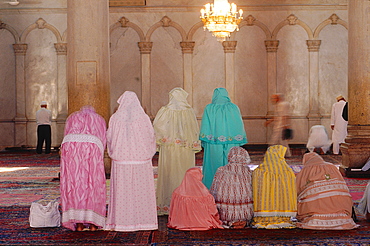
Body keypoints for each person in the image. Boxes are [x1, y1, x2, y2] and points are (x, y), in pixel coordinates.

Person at [105, 91, 158, 231]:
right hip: (141, 160)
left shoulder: (115, 118)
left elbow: (109, 138)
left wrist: (115, 150)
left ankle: (123, 222)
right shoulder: (143, 118)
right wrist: (147, 150)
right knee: (142, 192)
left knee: (123, 193)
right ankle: (145, 222)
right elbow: (151, 136)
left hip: (121, 161)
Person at [153, 88, 202, 215]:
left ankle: (167, 204)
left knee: (169, 173)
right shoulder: (189, 111)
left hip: (169, 149)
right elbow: (194, 129)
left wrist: (164, 140)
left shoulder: (164, 111)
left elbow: (157, 128)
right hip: (185, 149)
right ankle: (185, 203)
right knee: (184, 173)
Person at [60, 106, 107, 231]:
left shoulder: (72, 118)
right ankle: (93, 224)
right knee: (93, 185)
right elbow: (103, 139)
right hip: (93, 149)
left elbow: (66, 134)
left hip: (71, 148)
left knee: (75, 185)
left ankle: (79, 223)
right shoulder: (98, 119)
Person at [199, 88, 247, 189]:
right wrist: (238, 137)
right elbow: (238, 123)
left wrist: (204, 139)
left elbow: (205, 125)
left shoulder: (209, 108)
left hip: (213, 142)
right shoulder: (233, 108)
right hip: (231, 142)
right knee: (231, 164)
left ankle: (212, 188)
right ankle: (230, 188)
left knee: (213, 165)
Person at [296, 152, 358, 230]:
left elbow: (297, 189)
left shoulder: (305, 170)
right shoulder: (332, 166)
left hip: (315, 211)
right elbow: (343, 184)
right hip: (341, 208)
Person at [252, 145, 297, 229]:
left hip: (262, 211)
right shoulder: (287, 171)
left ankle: (265, 218)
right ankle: (281, 218)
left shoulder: (259, 171)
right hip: (283, 212)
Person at [210, 146, 253, 229]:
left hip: (225, 215)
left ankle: (230, 222)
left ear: (229, 156)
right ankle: (244, 222)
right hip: (247, 214)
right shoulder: (248, 171)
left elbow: (213, 191)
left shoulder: (221, 170)